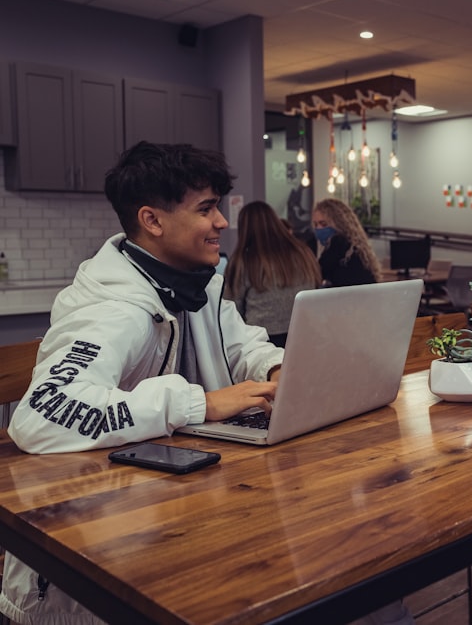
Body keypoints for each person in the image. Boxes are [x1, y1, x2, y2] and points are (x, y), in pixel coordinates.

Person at [0, 141, 285, 623]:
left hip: (181, 521)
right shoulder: (111, 311)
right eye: (207, 209)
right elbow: (41, 412)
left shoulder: (199, 280)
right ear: (152, 220)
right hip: (92, 568)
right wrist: (197, 404)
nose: (222, 222)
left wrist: (275, 369)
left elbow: (242, 346)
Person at [224, 201, 322, 347]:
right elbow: (315, 289)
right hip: (304, 334)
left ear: (244, 229)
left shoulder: (244, 261)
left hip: (261, 341)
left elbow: (232, 310)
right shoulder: (303, 252)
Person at [312, 197, 381, 286]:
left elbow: (317, 273)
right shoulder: (355, 245)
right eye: (315, 224)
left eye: (324, 224)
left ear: (338, 223)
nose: (318, 228)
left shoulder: (339, 242)